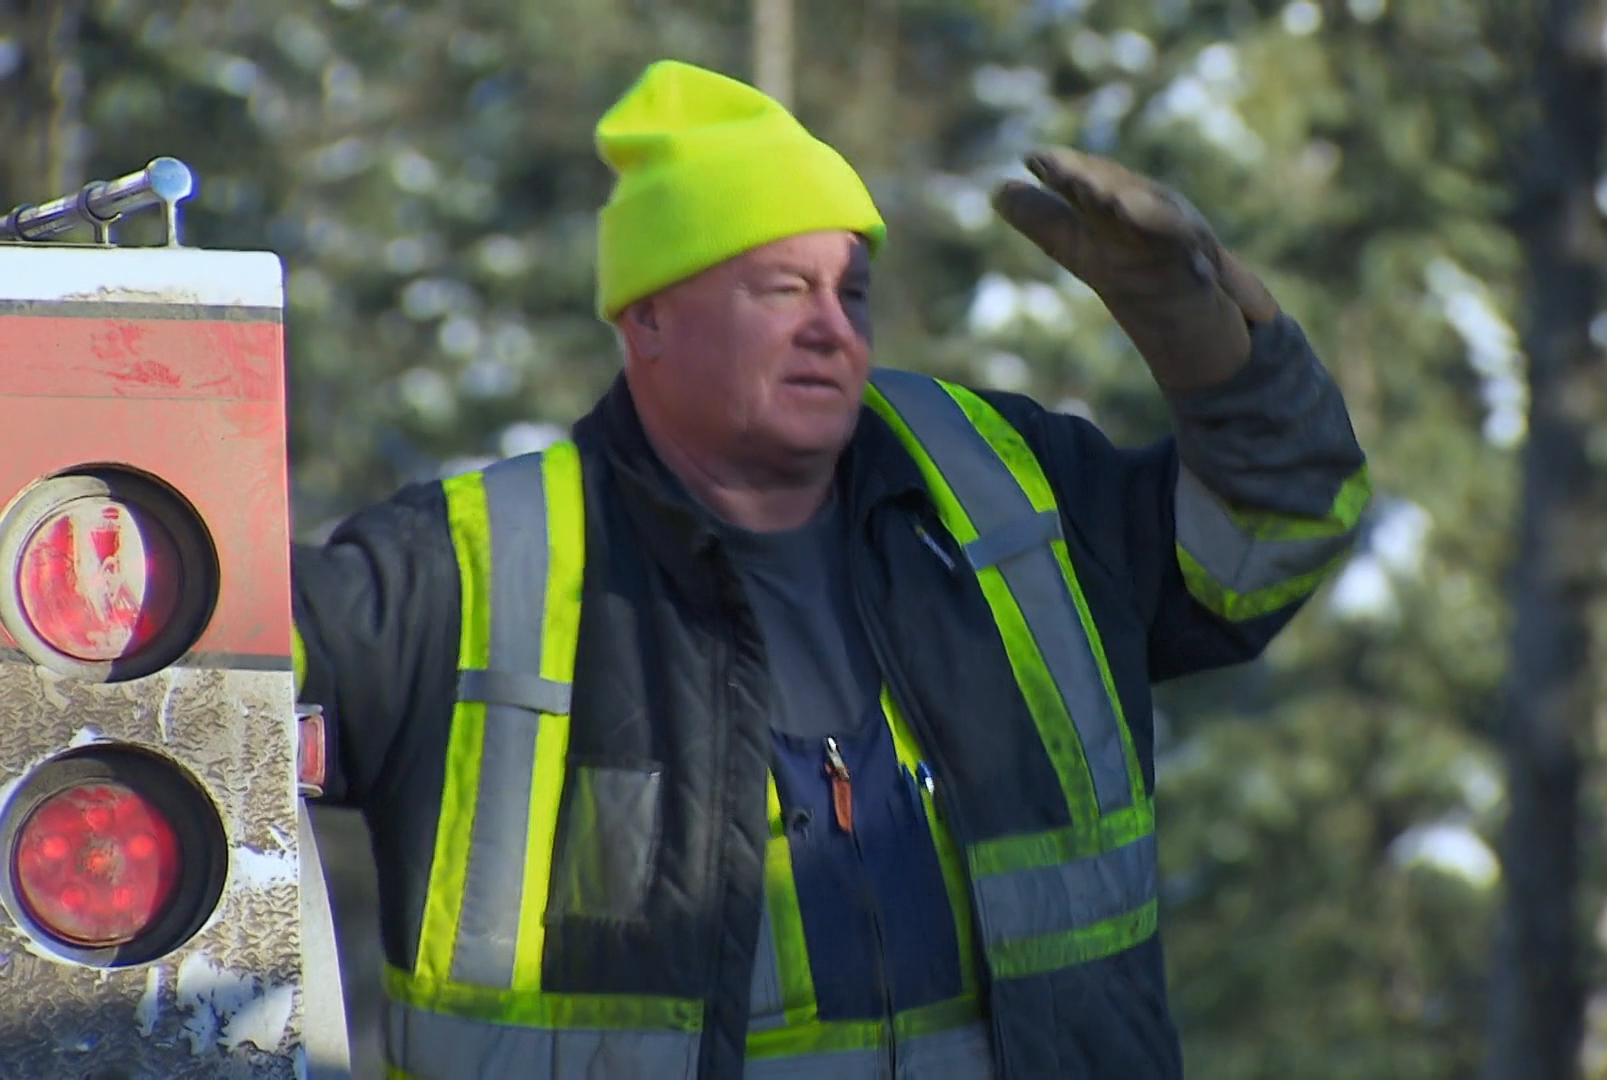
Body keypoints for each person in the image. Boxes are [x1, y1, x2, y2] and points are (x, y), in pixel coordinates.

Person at [292, 59, 1370, 1080]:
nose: (830, 330)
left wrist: (1201, 338)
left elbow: (1271, 538)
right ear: (648, 316)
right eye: (781, 289)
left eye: (852, 294)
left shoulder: (1006, 487)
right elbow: (214, 645)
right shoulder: (469, 573)